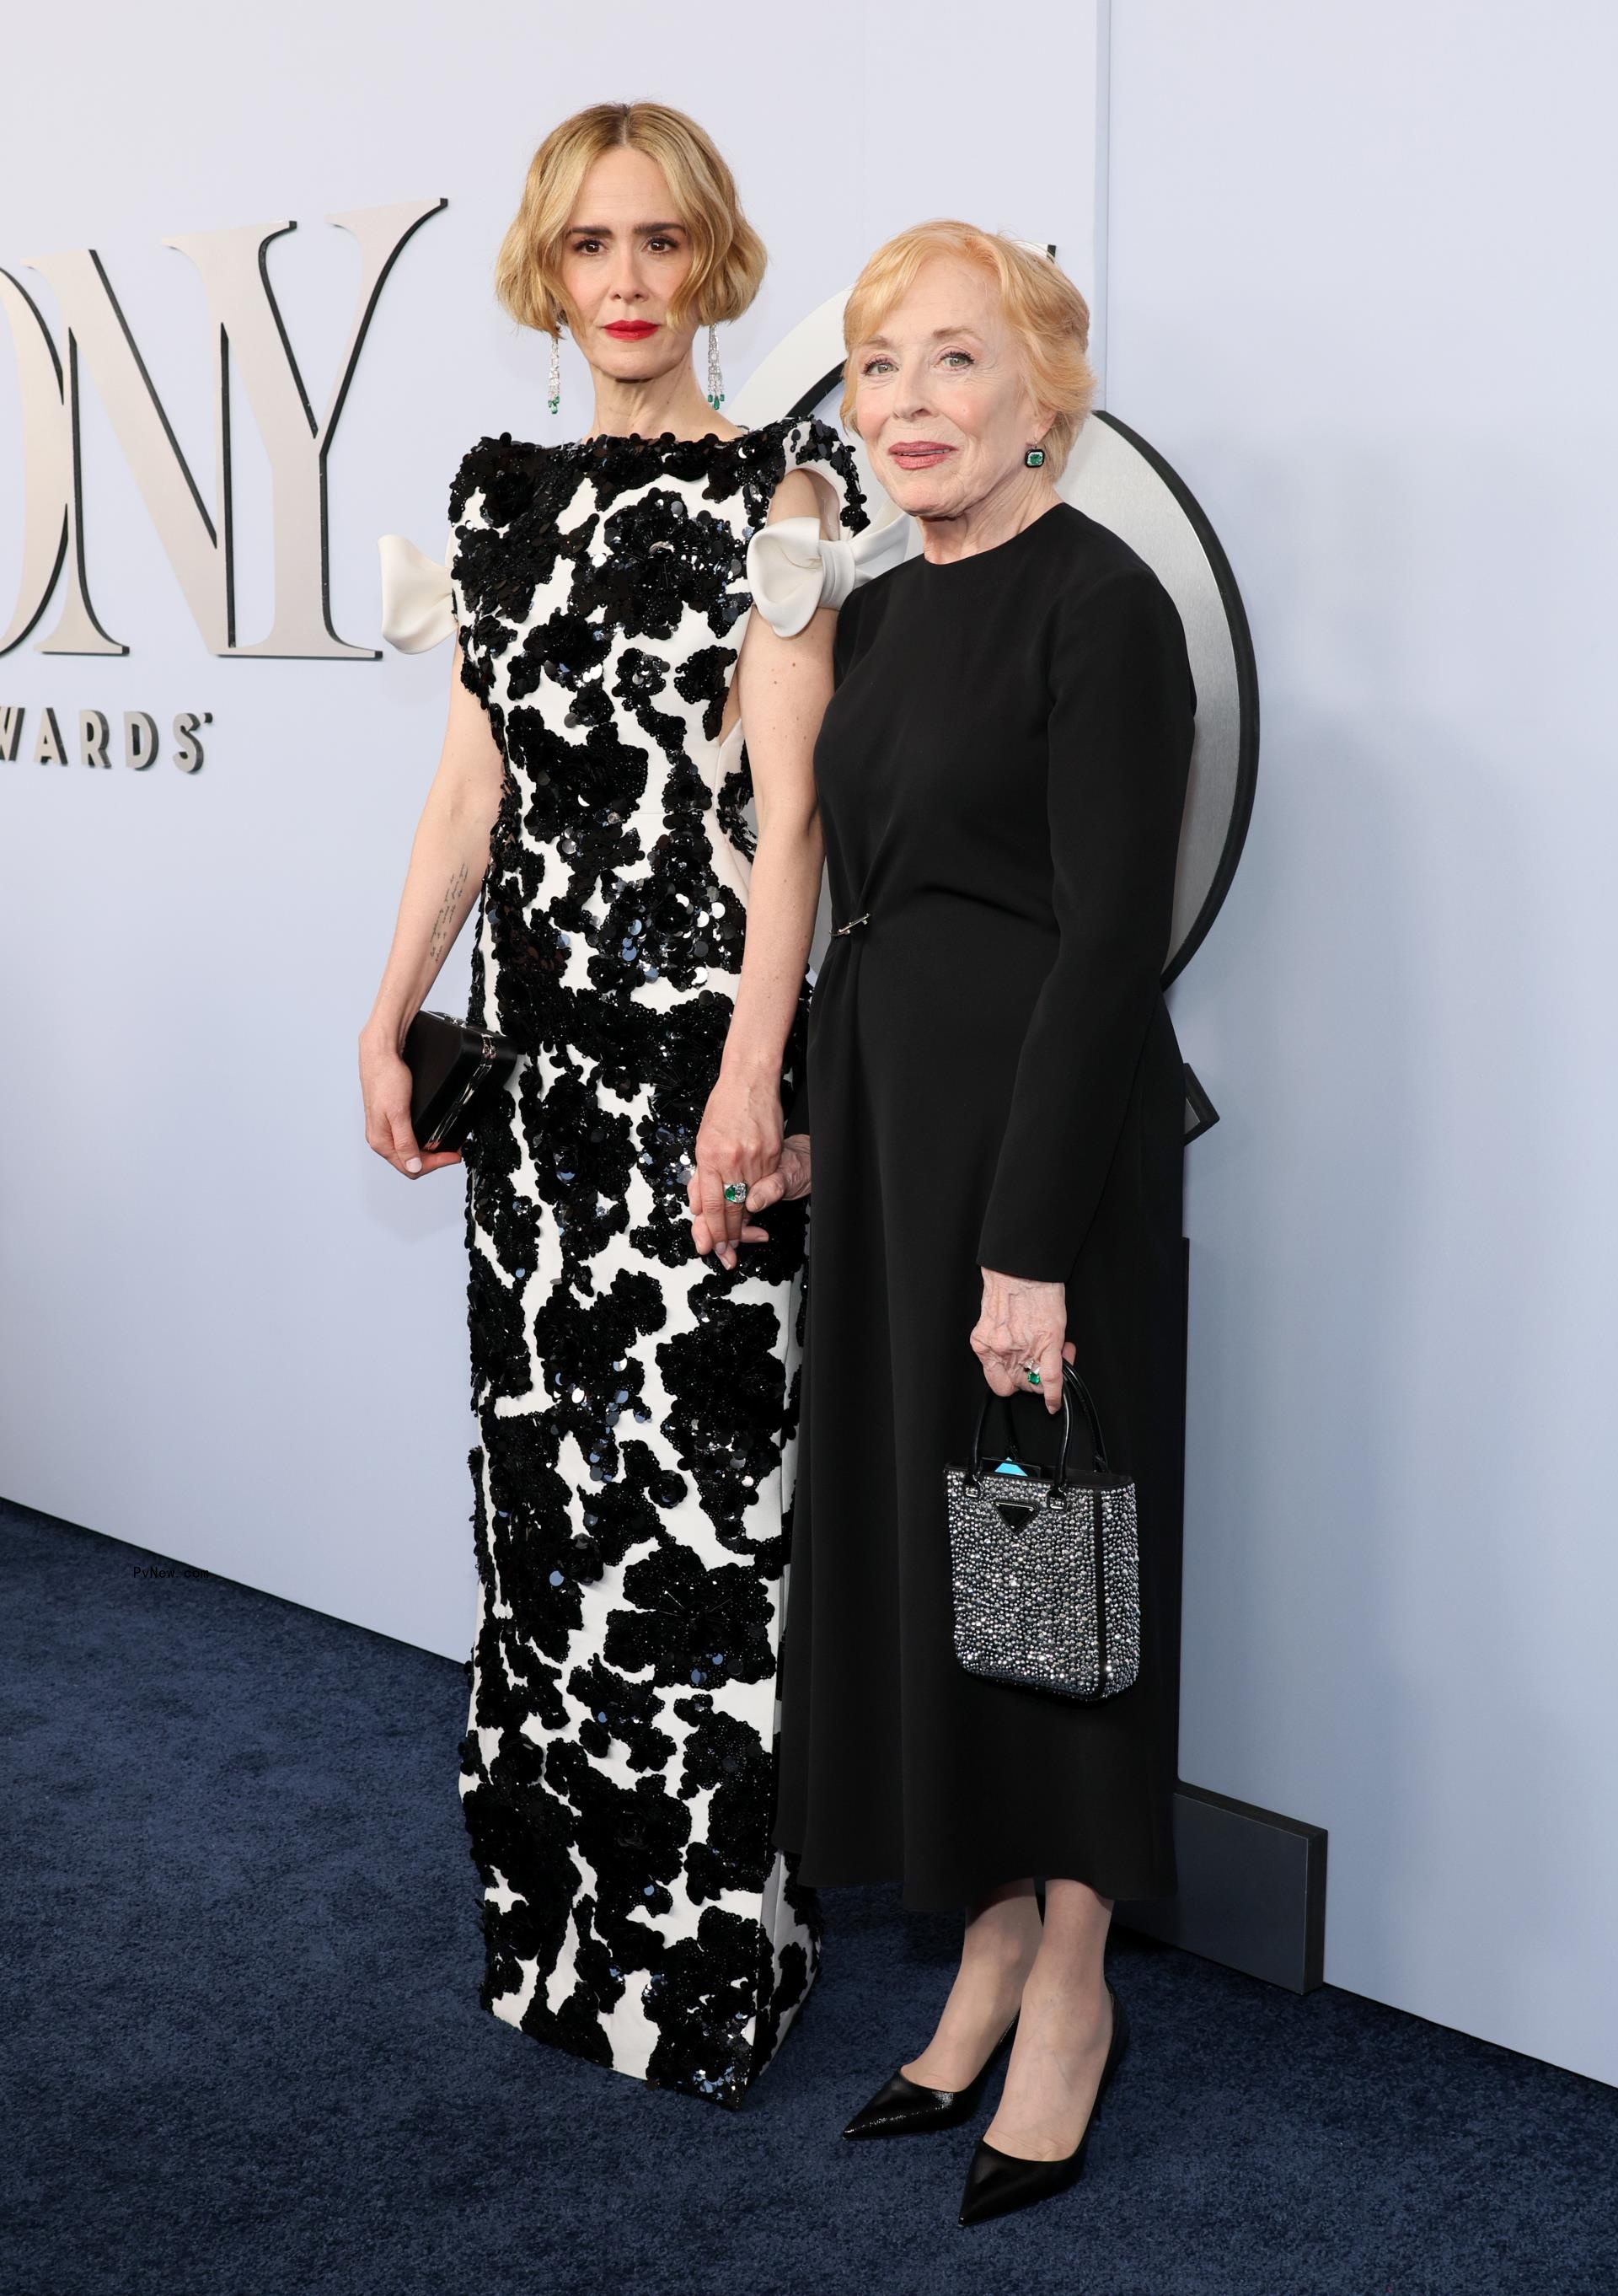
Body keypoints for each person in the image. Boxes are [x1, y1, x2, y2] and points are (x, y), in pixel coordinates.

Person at [358, 99, 871, 2107]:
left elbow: (793, 807)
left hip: (699, 1081)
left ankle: (710, 1977)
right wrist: (389, 1002)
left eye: (663, 245)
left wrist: (753, 1069)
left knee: (707, 1514)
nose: (631, 284)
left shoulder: (789, 488)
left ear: (716, 262)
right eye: (594, 249)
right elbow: (474, 792)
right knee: (544, 1507)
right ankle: (556, 1944)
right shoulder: (496, 498)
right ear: (547, 273)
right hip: (538, 1081)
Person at [743, 220, 1196, 2219]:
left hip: (1049, 1155)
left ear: (1045, 398)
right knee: (944, 1557)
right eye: (875, 367)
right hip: (899, 1142)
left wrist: (1029, 1242)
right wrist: (827, 1119)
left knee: (1053, 1558)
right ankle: (988, 1941)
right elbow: (885, 901)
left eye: (950, 363)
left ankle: (1076, 1979)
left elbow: (1106, 949)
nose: (905, 405)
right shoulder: (888, 608)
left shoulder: (1102, 608)